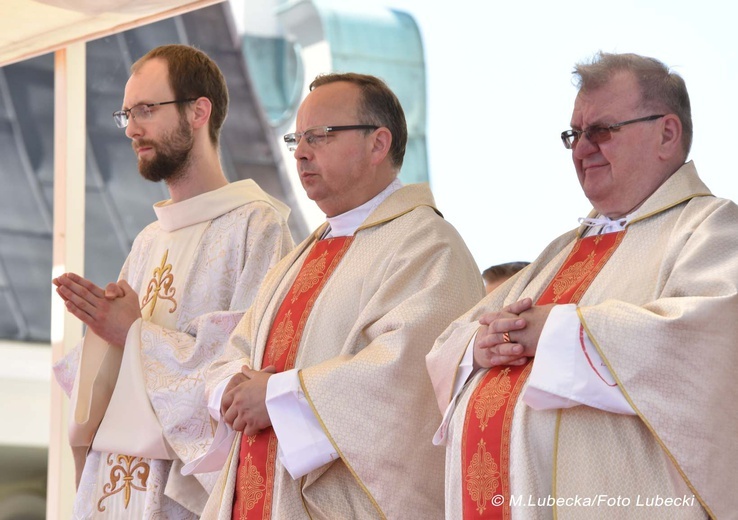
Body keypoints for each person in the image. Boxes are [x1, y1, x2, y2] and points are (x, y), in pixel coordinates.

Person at [427, 51, 737, 519]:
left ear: (667, 134)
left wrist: (556, 332)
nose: (581, 149)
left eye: (602, 131)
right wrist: (480, 345)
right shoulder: (562, 250)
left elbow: (707, 348)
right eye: (574, 134)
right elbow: (451, 340)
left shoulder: (710, 228)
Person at [191, 72, 484, 518]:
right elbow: (238, 350)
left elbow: (407, 377)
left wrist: (277, 397)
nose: (302, 153)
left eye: (320, 136)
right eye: (297, 139)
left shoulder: (427, 244)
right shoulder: (302, 255)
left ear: (378, 144)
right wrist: (230, 387)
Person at [52, 44, 294, 518]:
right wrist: (105, 337)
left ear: (199, 111)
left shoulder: (257, 227)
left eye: (147, 109)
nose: (133, 129)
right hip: (114, 486)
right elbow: (107, 383)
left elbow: (243, 371)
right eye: (127, 114)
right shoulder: (147, 241)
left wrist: (132, 334)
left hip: (185, 494)